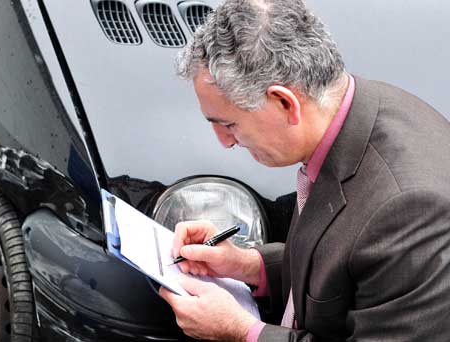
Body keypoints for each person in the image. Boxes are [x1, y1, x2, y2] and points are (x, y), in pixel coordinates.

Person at [158, 0, 450, 340]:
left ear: (284, 102)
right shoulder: (355, 111)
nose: (225, 142)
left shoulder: (409, 210)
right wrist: (249, 266)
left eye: (229, 124)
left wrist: (240, 331)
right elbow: (345, 266)